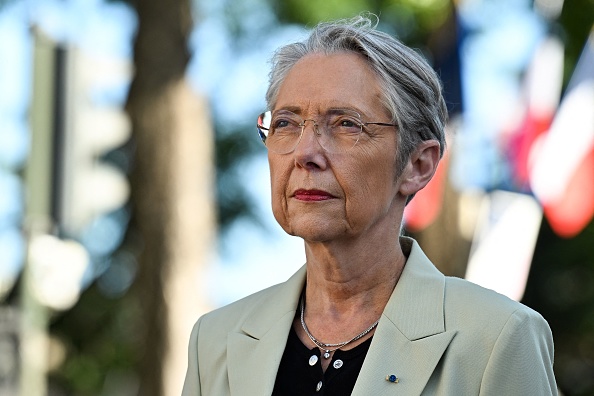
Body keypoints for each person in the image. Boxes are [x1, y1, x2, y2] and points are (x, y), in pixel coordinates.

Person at [182, 15, 557, 395]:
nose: (305, 153)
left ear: (417, 165)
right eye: (286, 123)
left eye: (346, 124)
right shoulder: (216, 342)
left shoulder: (497, 337)